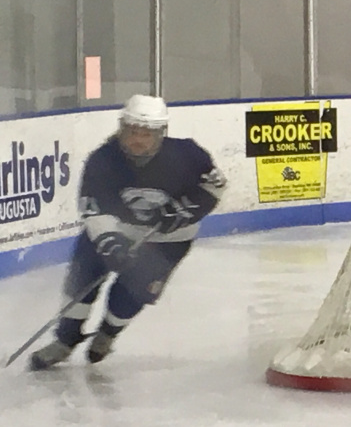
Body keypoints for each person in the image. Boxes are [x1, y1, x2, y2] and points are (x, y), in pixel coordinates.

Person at [29, 94, 226, 370]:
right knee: (81, 280)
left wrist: (181, 212)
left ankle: (107, 334)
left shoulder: (188, 155)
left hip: (166, 241)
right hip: (112, 232)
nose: (137, 139)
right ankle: (65, 340)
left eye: (145, 134)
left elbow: (214, 186)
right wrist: (111, 242)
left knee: (134, 293)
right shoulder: (103, 159)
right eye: (132, 131)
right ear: (122, 129)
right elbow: (94, 208)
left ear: (160, 134)